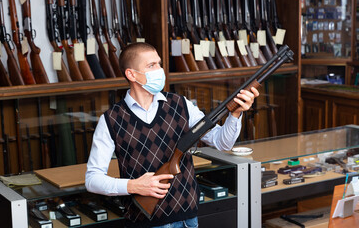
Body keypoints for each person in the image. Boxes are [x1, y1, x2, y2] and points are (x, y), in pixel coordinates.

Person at [85, 42, 259, 228]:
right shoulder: (111, 119)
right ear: (131, 74)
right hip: (145, 222)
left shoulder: (180, 104)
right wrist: (133, 186)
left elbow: (221, 143)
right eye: (151, 66)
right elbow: (92, 180)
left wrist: (235, 114)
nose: (160, 70)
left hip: (188, 219)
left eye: (159, 64)